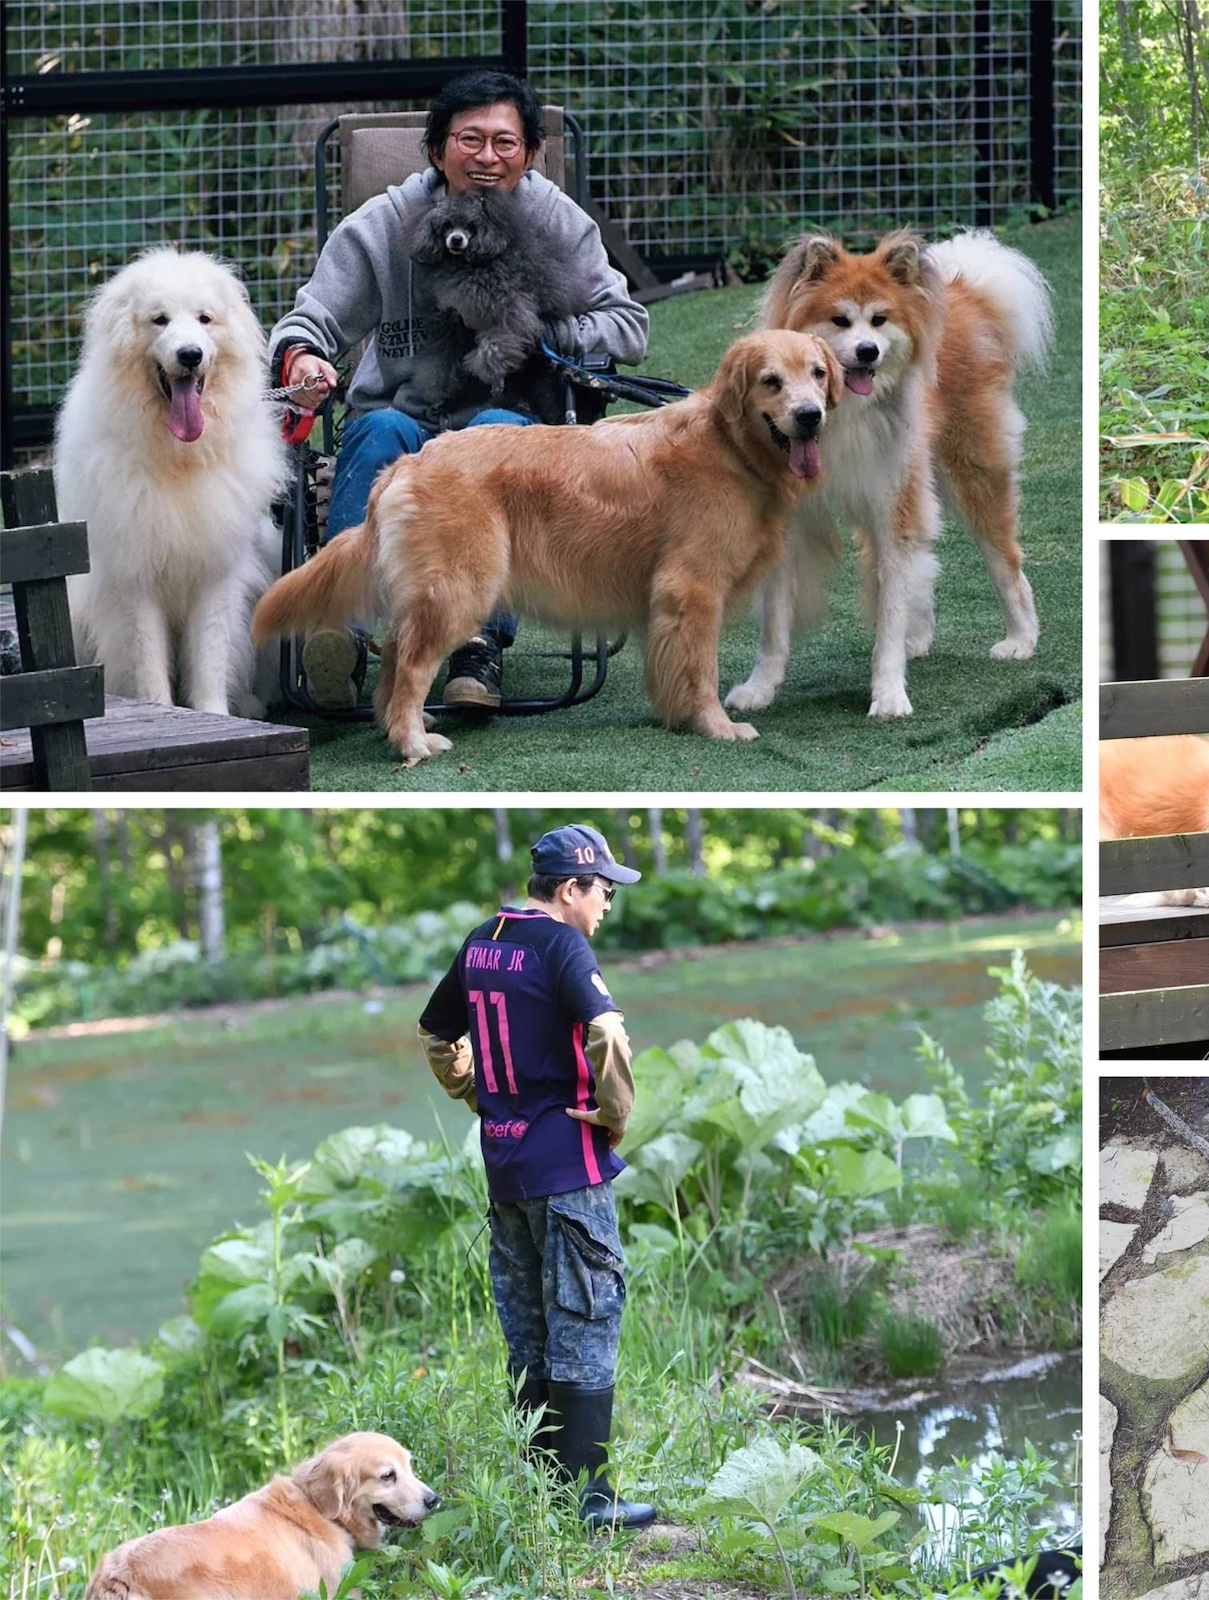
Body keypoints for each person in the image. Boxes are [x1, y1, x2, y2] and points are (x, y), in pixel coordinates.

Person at [269, 71, 648, 711]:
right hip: (401, 419)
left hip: (509, 427)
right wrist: (304, 359)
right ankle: (342, 637)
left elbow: (628, 326)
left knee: (497, 437)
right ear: (437, 149)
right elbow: (308, 322)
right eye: (469, 139)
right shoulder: (382, 223)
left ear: (530, 155)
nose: (487, 157)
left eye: (505, 143)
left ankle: (477, 645)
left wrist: (540, 329)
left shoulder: (560, 223)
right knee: (377, 431)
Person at [417, 824, 655, 1531]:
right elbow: (608, 1032)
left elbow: (437, 1031)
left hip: (504, 1164)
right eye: (603, 889)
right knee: (585, 1315)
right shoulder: (561, 944)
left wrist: (472, 1091)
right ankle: (591, 1502)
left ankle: (543, 1494)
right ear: (569, 889)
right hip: (567, 1162)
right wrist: (614, 1113)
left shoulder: (483, 937)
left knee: (527, 1328)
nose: (608, 902)